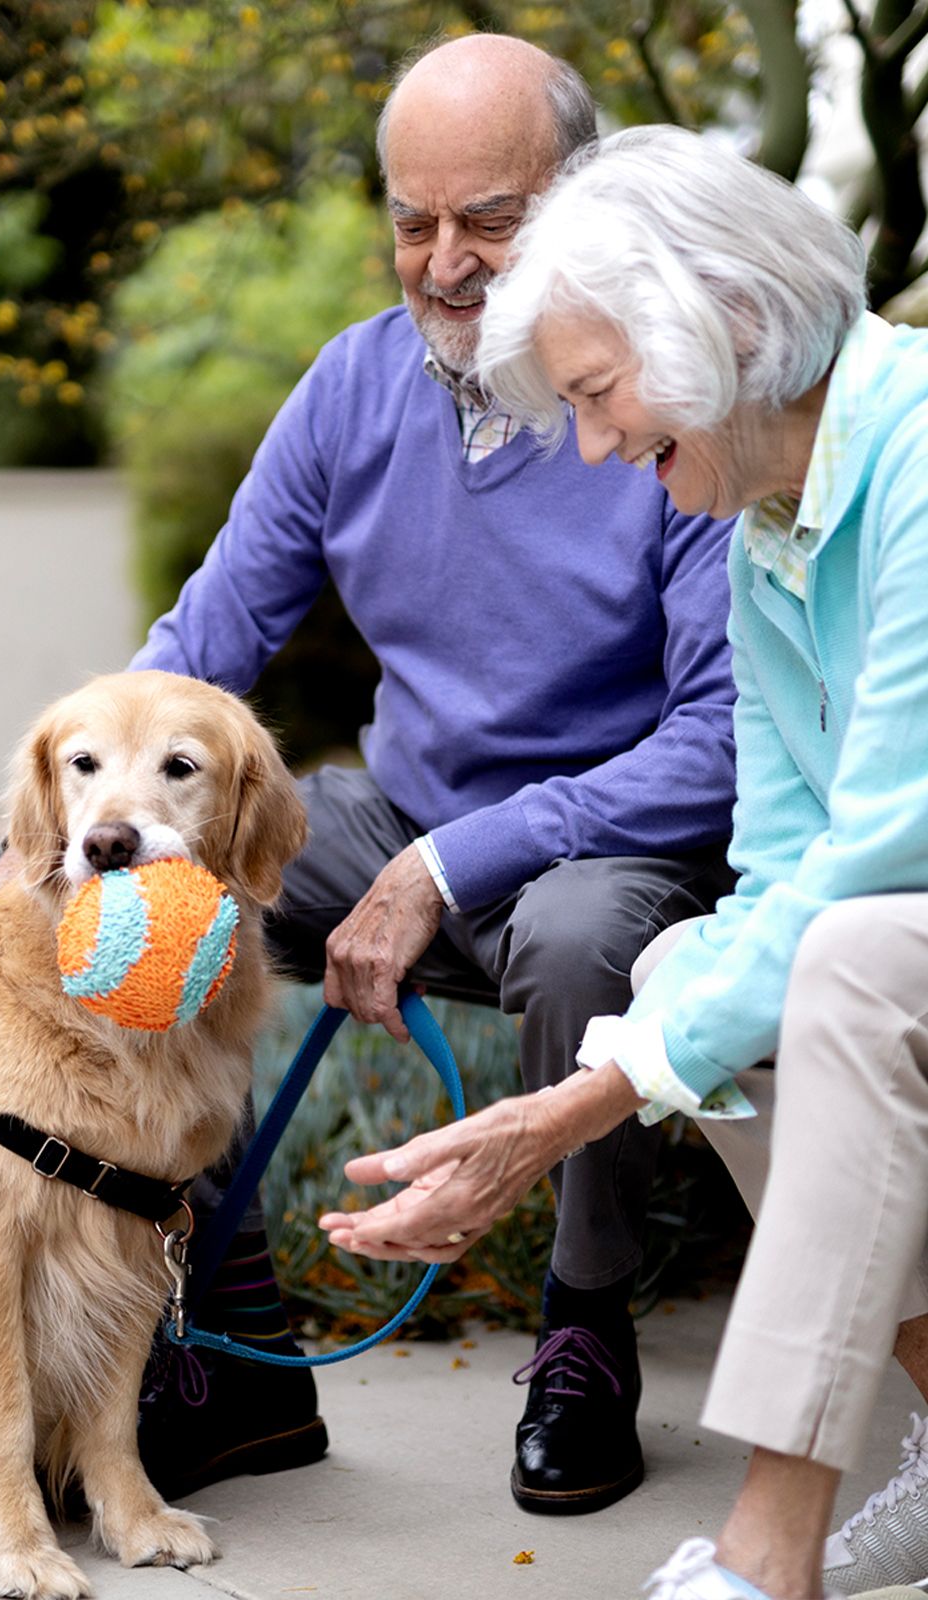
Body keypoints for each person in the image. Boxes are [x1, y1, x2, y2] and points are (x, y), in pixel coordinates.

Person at [318, 124, 928, 1600]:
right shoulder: (765, 531)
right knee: (683, 962)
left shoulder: (917, 451)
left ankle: (765, 1553)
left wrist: (567, 1108)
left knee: (832, 961)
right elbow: (777, 862)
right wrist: (605, 1078)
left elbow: (880, 856)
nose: (594, 447)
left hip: (897, 925)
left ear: (726, 325)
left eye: (598, 396)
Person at [130, 36, 738, 1512]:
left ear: (583, 205)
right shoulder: (350, 387)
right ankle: (227, 1342)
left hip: (609, 844)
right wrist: (79, 833)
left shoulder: (670, 399)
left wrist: (448, 866)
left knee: (590, 938)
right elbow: (197, 657)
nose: (447, 263)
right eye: (416, 221)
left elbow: (721, 742)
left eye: (491, 219)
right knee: (157, 874)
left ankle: (585, 1334)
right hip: (394, 814)